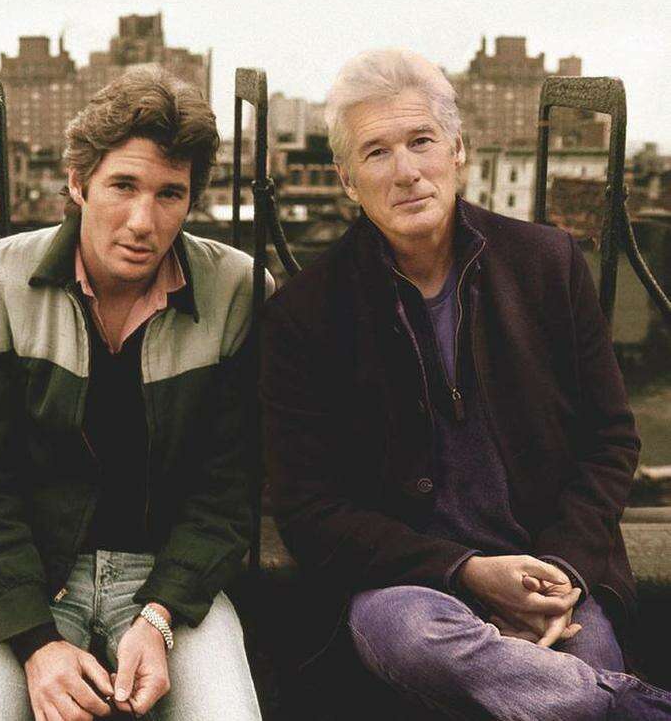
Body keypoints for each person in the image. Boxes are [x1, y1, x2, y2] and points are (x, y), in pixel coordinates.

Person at [261, 49, 671, 719]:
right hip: (409, 590)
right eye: (377, 152)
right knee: (416, 636)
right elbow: (308, 506)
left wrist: (563, 568)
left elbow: (610, 441)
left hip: (547, 571)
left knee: (581, 672)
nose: (406, 171)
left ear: (458, 151)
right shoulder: (305, 313)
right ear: (347, 180)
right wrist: (467, 572)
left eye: (422, 141)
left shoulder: (547, 265)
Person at [0, 65, 263, 721]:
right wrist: (34, 642)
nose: (143, 221)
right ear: (77, 182)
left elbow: (228, 488)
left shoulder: (236, 290)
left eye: (170, 194)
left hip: (168, 583)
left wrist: (161, 614)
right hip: (31, 578)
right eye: (123, 185)